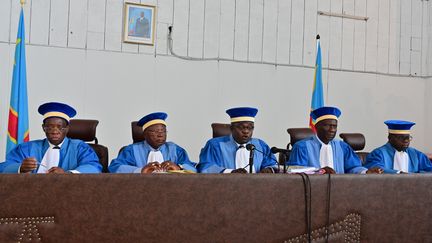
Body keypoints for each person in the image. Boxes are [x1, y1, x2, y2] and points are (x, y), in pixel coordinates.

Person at [0, 102, 102, 174]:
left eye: (60, 127)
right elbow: (4, 167)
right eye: (49, 127)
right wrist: (20, 168)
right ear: (43, 128)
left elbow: (94, 167)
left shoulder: (80, 148)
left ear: (67, 128)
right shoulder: (27, 148)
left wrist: (68, 174)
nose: (54, 131)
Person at [288, 106, 382, 174]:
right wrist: (319, 171)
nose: (332, 130)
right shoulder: (302, 147)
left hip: (339, 190)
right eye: (327, 125)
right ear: (317, 127)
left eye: (334, 126)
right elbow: (295, 172)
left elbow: (353, 167)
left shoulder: (342, 146)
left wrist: (366, 172)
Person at [109, 112, 197, 173]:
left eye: (163, 131)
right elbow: (114, 168)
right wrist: (140, 170)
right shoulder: (131, 150)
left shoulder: (175, 149)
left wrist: (179, 168)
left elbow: (194, 169)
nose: (160, 135)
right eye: (154, 132)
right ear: (144, 134)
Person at [198, 107, 278, 173]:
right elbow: (205, 167)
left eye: (250, 128)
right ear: (231, 128)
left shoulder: (260, 145)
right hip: (225, 188)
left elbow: (273, 164)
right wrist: (230, 172)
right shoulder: (215, 145)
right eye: (241, 127)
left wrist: (269, 169)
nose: (246, 131)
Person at [364, 120, 432, 173]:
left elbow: (428, 171)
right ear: (390, 138)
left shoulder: (417, 154)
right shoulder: (378, 154)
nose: (406, 141)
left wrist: (415, 177)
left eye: (408, 138)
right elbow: (376, 170)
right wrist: (399, 174)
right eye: (401, 138)